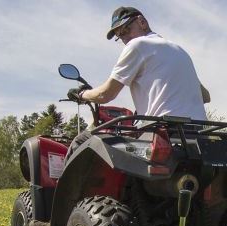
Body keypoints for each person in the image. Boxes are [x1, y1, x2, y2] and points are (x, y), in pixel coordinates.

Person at [66, 7, 210, 155]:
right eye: (119, 36)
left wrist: (82, 94)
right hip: (199, 135)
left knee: (81, 141)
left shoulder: (138, 45)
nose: (125, 38)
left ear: (142, 22)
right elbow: (205, 97)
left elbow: (105, 95)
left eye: (126, 30)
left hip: (162, 133)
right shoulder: (179, 50)